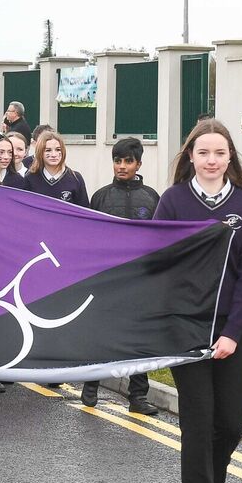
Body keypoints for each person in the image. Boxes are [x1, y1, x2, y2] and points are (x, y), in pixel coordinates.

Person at [154, 119, 242, 483]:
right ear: (191, 157)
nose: (212, 160)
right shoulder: (174, 201)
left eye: (220, 153)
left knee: (232, 421)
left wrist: (234, 332)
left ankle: (211, 470)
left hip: (233, 329)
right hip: (186, 330)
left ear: (230, 158)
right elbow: (156, 263)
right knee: (197, 423)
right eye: (204, 153)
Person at [80, 137, 161, 414]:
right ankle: (90, 386)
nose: (122, 166)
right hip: (108, 279)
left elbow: (160, 237)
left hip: (140, 281)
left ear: (138, 163)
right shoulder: (101, 196)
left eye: (128, 161)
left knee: (137, 337)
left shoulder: (151, 197)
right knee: (100, 333)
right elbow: (89, 237)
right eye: (117, 160)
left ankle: (137, 397)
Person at [23, 130, 89, 207]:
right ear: (40, 152)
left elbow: (84, 211)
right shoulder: (30, 178)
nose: (54, 154)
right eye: (48, 150)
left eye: (58, 150)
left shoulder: (76, 178)